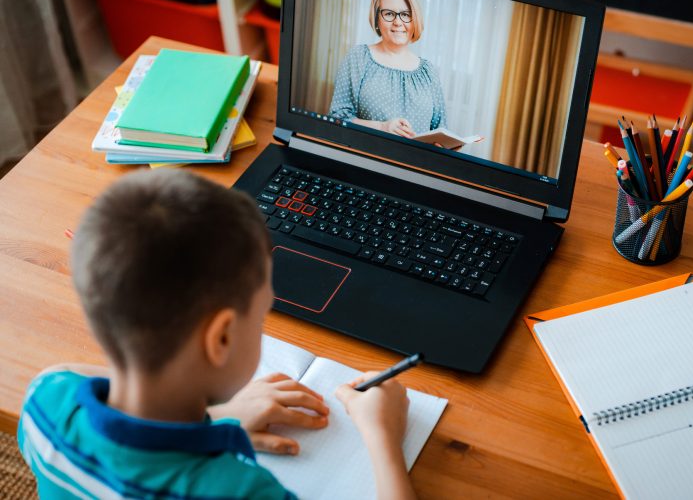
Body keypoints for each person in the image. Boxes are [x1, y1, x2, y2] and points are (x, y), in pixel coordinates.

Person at [17, 170, 415, 499]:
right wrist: (383, 436)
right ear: (220, 338)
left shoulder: (45, 401)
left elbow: (67, 371)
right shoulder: (239, 490)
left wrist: (219, 417)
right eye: (261, 316)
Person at [329, 0, 447, 139]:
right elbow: (337, 118)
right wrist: (381, 127)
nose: (398, 22)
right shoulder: (358, 57)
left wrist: (447, 144)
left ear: (415, 20)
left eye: (405, 14)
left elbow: (440, 129)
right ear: (377, 19)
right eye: (389, 14)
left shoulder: (429, 71)